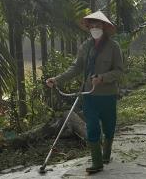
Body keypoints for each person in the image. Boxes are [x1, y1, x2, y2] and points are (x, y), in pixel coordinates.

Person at [46, 11, 123, 174]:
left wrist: (102, 78)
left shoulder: (113, 47)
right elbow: (75, 68)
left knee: (109, 128)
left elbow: (119, 72)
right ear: (88, 28)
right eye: (92, 26)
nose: (95, 28)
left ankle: (106, 154)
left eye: (98, 25)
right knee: (93, 128)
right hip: (89, 95)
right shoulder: (85, 47)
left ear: (105, 27)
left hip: (108, 96)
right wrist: (57, 79)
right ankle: (97, 162)